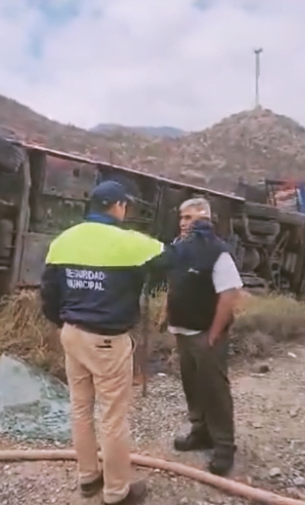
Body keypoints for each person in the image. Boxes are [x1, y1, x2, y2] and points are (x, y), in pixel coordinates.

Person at [40, 180, 163, 505]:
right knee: (112, 416)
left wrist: (65, 322)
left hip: (72, 334)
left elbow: (48, 295)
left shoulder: (63, 241)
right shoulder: (133, 243)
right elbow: (170, 265)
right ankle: (116, 492)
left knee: (80, 408)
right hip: (107, 341)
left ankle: (88, 477)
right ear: (119, 206)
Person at [161, 197, 243, 476]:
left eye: (190, 218)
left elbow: (229, 294)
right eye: (182, 218)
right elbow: (176, 286)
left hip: (206, 333)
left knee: (215, 390)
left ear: (205, 218)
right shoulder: (178, 248)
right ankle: (201, 432)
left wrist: (214, 334)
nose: (184, 223)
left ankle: (224, 446)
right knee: (192, 386)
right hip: (183, 330)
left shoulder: (217, 252)